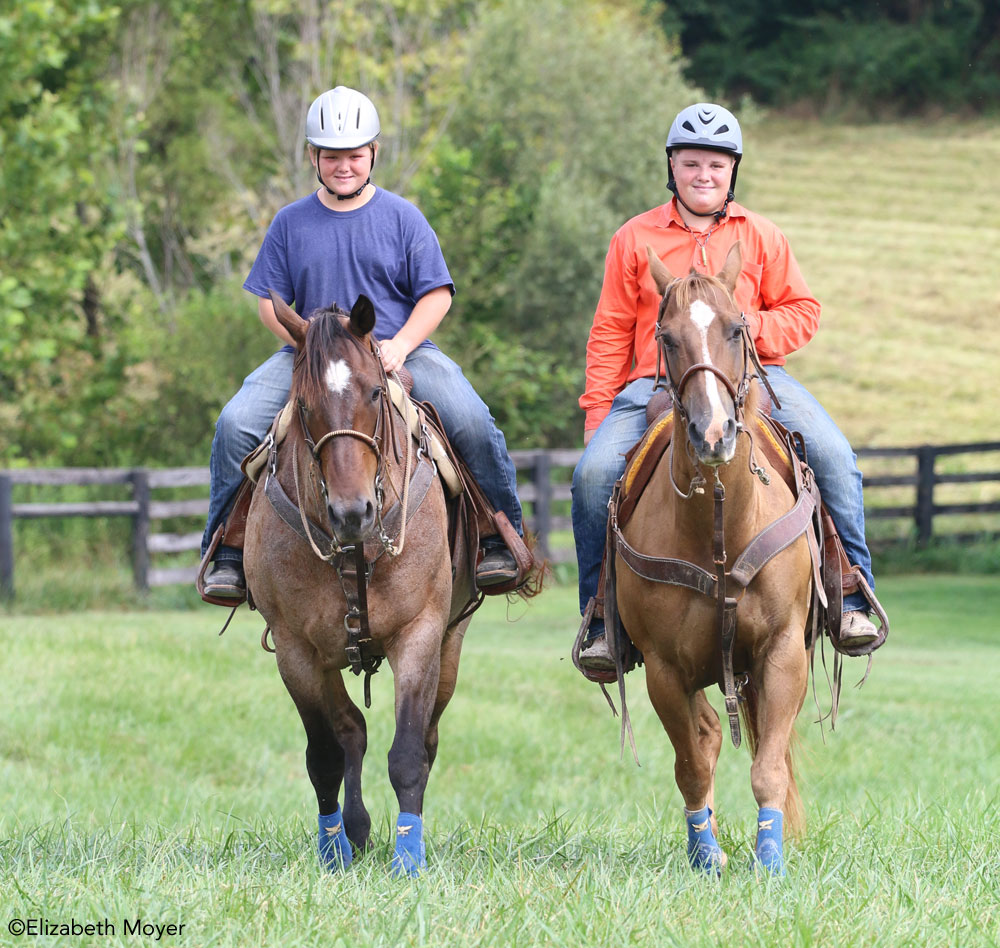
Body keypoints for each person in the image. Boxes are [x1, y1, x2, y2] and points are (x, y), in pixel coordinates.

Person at [573, 102, 879, 672]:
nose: (704, 175)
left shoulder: (762, 235)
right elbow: (610, 331)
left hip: (758, 378)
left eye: (716, 164)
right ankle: (601, 616)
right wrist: (598, 419)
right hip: (654, 383)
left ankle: (850, 592)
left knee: (835, 455)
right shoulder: (633, 238)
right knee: (591, 478)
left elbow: (804, 310)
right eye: (692, 163)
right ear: (673, 167)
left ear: (732, 170)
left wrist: (747, 329)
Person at [201, 85, 523, 598]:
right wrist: (305, 343)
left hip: (398, 352)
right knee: (236, 424)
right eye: (331, 156)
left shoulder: (402, 217)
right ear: (313, 157)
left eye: (354, 155)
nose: (343, 165)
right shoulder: (289, 223)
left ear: (373, 153)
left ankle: (501, 538)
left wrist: (399, 345)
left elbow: (437, 295)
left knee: (471, 420)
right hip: (309, 358)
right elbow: (269, 301)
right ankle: (227, 550)